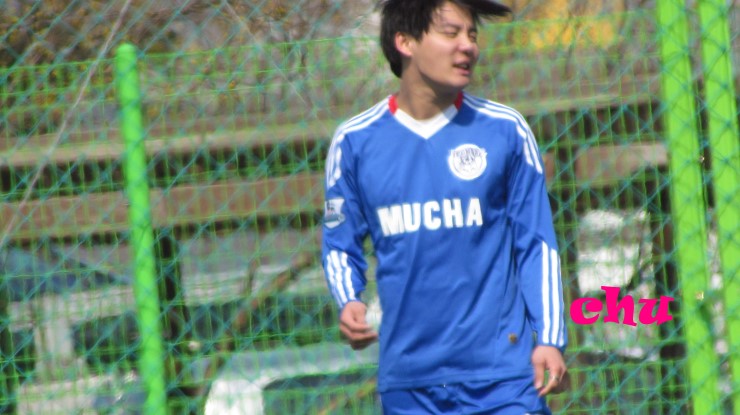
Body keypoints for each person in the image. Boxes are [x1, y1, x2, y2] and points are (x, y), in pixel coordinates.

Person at [321, 0, 567, 413]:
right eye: (451, 33)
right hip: (411, 385)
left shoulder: (505, 130)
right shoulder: (355, 142)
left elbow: (536, 244)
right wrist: (349, 300)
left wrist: (550, 338)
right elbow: (339, 243)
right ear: (405, 42)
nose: (467, 46)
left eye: (472, 35)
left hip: (503, 379)